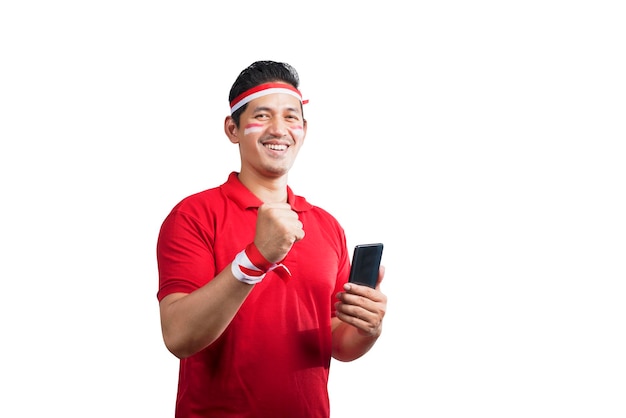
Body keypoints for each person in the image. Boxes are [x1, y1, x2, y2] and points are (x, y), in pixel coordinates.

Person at [156, 60, 387, 418]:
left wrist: (366, 327)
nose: (279, 129)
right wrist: (255, 259)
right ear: (232, 129)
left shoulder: (327, 226)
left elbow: (337, 340)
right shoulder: (193, 215)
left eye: (291, 117)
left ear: (304, 129)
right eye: (262, 116)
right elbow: (179, 336)